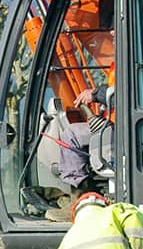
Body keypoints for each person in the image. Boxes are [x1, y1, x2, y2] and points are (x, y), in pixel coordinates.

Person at [42, 85, 116, 221]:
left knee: (72, 135)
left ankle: (80, 198)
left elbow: (126, 90)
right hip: (122, 125)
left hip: (123, 129)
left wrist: (96, 95)